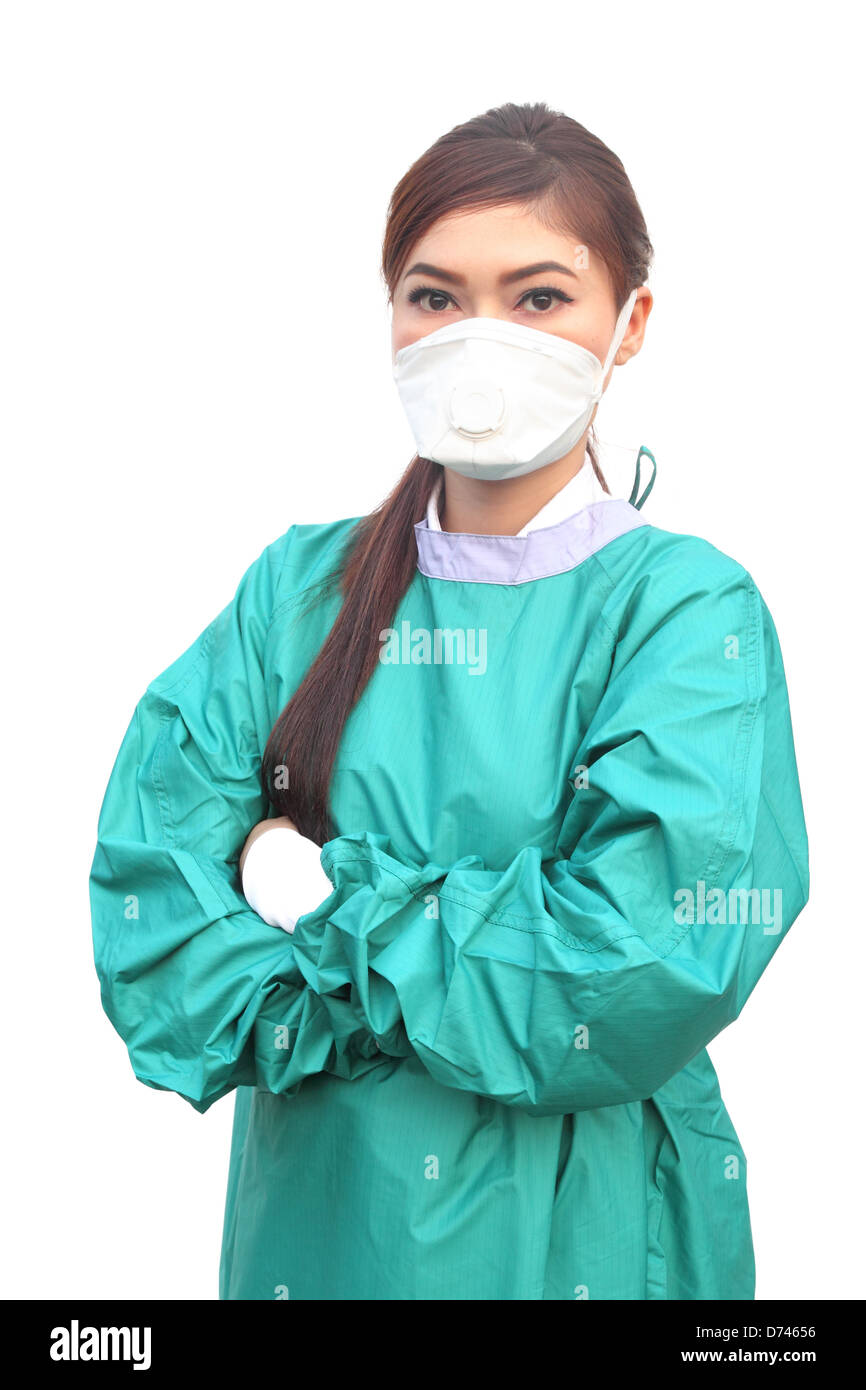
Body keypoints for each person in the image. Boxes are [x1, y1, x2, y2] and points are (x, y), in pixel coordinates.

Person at [89, 101, 809, 1301]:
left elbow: (635, 966)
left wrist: (312, 886)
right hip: (321, 1238)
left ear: (627, 324)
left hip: (584, 1238)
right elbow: (153, 913)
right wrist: (446, 947)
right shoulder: (298, 593)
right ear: (389, 318)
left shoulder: (684, 613)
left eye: (537, 298)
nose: (481, 339)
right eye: (434, 297)